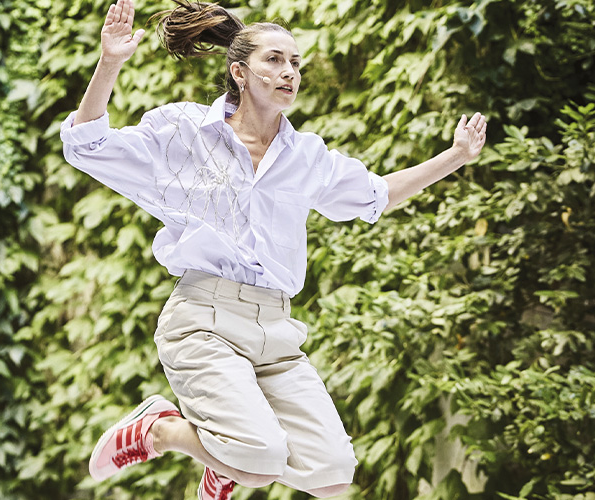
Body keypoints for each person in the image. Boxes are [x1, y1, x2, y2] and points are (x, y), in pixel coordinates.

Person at [60, 0, 487, 498]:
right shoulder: (183, 131)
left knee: (332, 476)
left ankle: (226, 460)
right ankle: (160, 431)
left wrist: (456, 156)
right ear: (239, 72)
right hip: (204, 319)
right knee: (258, 463)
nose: (289, 72)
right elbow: (87, 145)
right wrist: (109, 62)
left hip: (275, 328)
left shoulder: (306, 156)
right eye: (275, 60)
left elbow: (377, 195)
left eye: (296, 63)